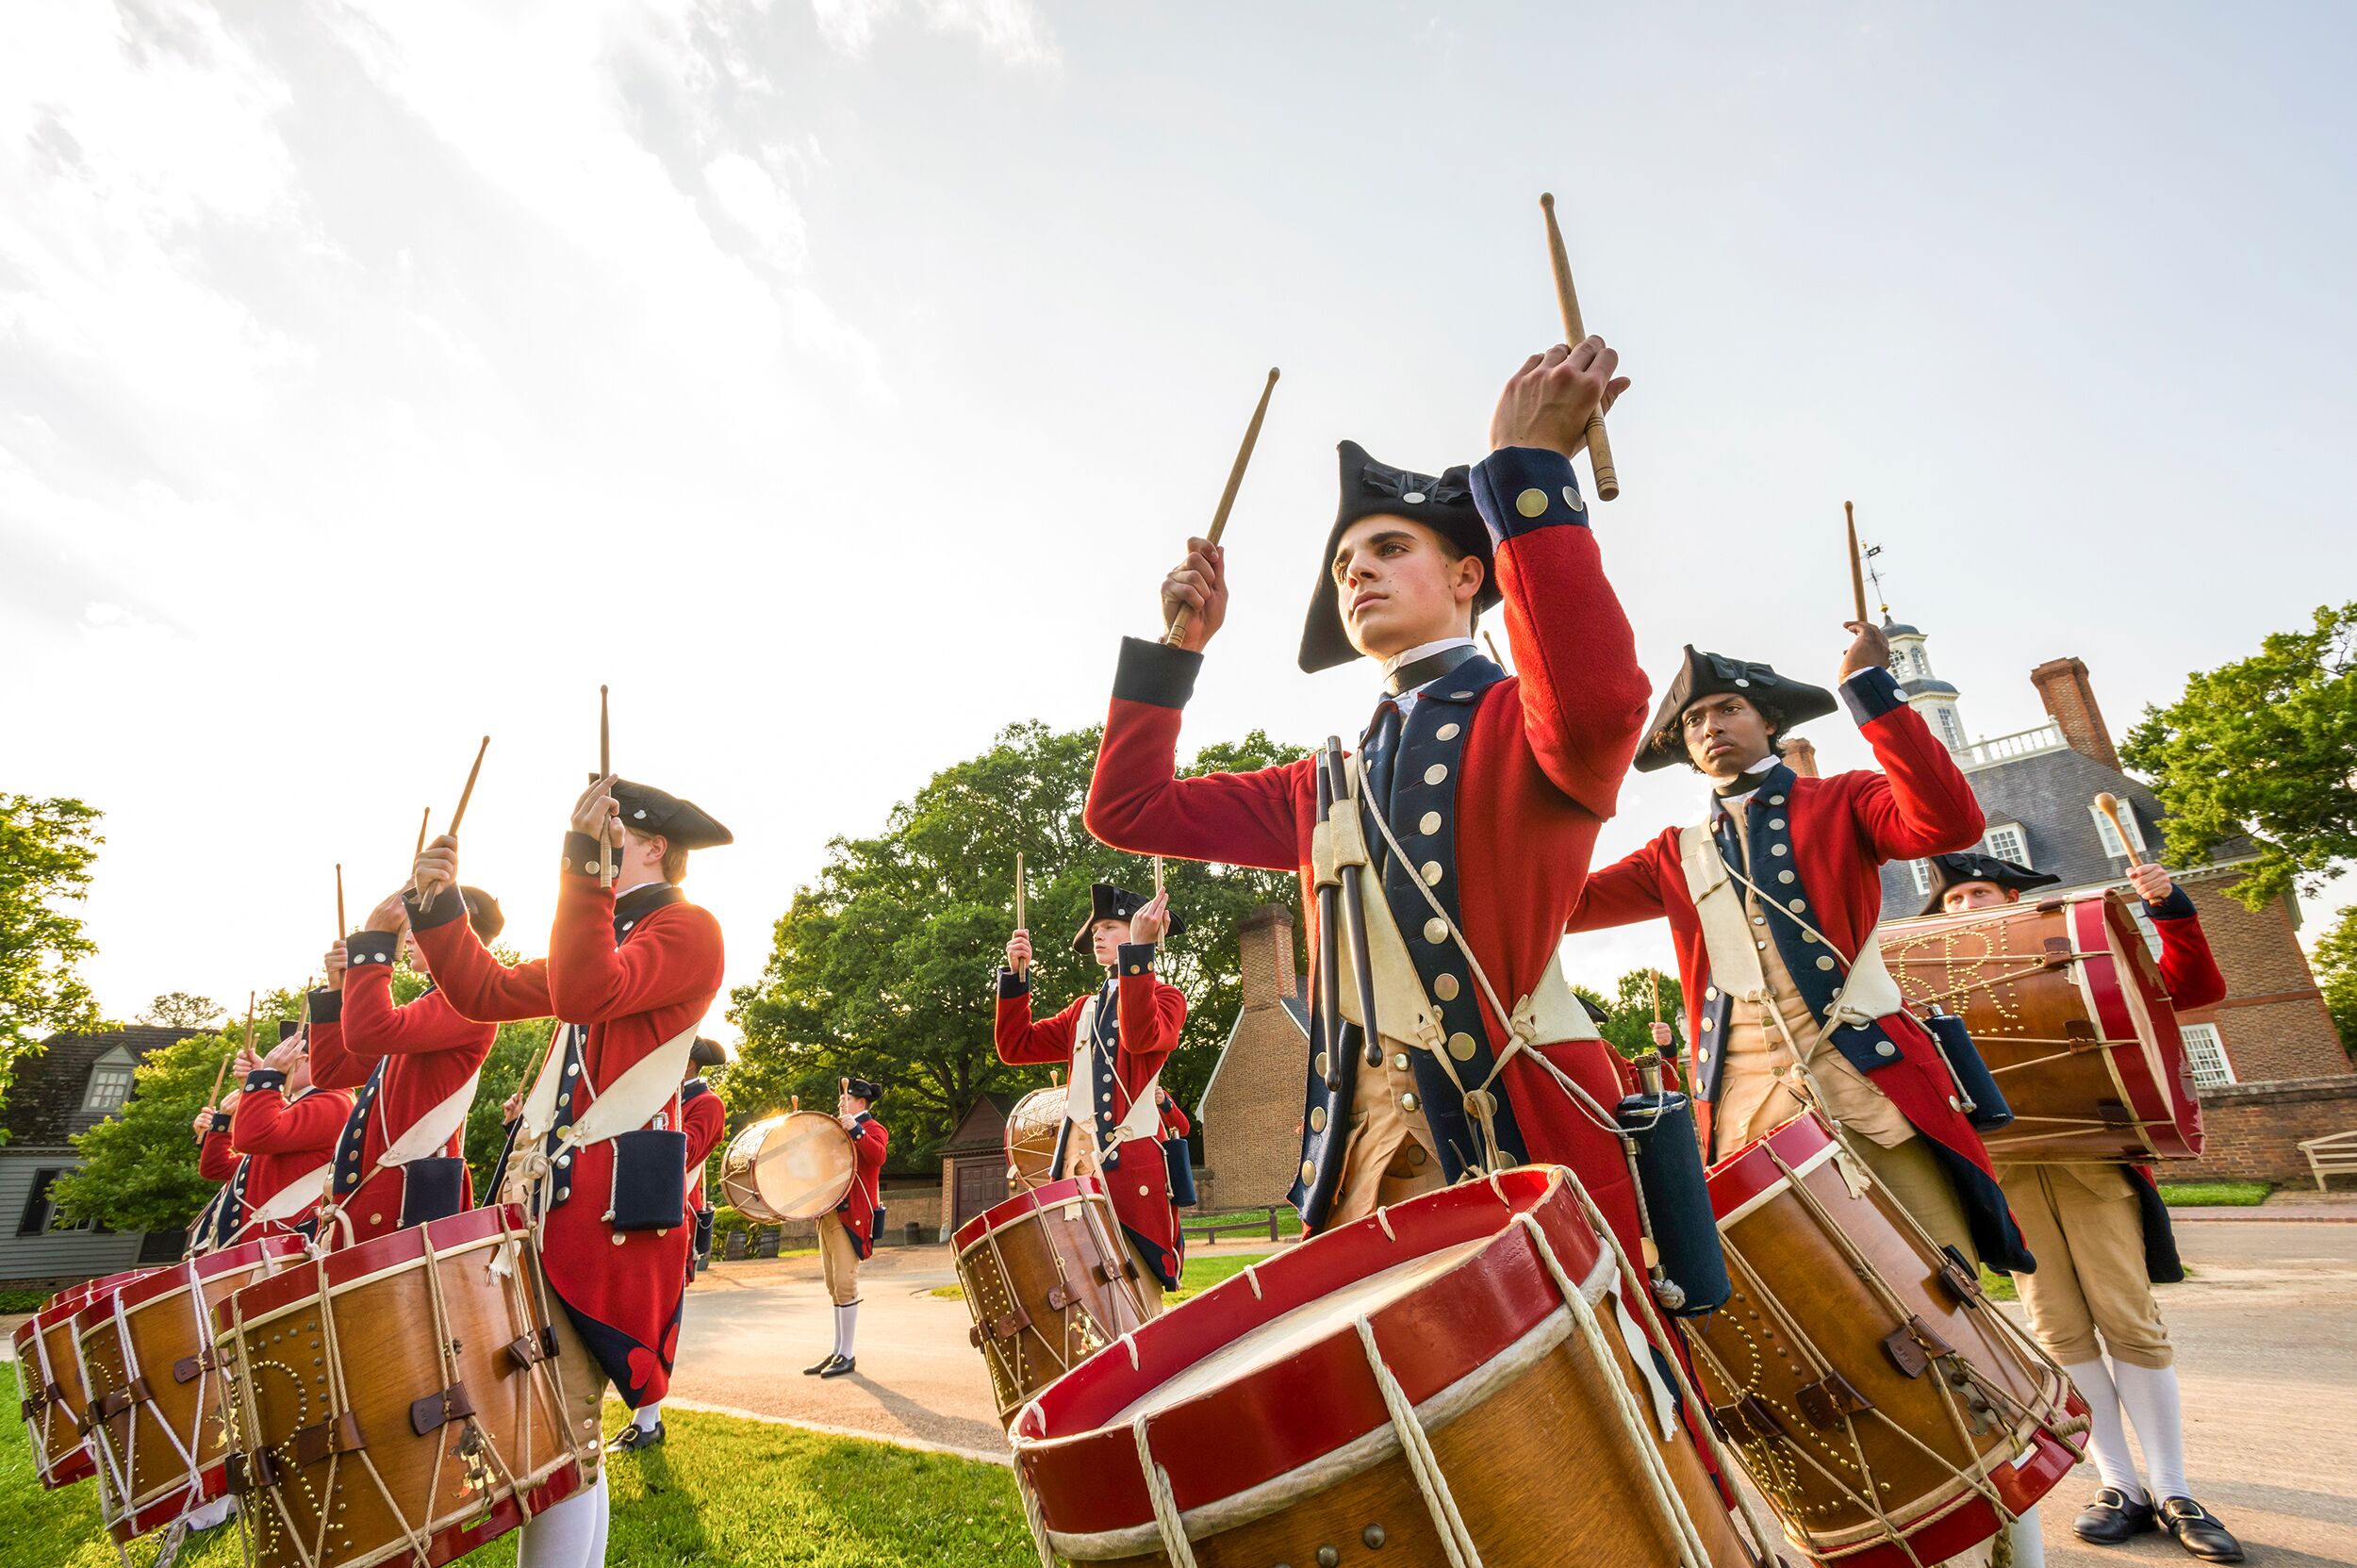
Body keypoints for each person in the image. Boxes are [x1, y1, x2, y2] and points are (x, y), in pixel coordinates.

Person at [1083, 340, 1665, 1265]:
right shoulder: (1323, 783)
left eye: (1390, 548)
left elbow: (1600, 700)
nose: (1356, 571)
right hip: (1360, 1166)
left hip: (1528, 1137)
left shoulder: (1530, 721)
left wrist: (1530, 471)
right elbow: (1128, 808)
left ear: (1469, 576)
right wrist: (1178, 647)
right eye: (1346, 561)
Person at [1566, 642, 2040, 1568]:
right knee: (1812, 1331)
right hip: (1747, 1110)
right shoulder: (1676, 853)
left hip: (1869, 1089)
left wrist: (1873, 692)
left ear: (1768, 721)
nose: (1710, 728)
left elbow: (1945, 819)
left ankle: (2015, 1533)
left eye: (1726, 709)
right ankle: (1889, 1522)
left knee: (1948, 1298)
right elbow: (1557, 903)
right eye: (1693, 721)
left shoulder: (1844, 799)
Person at [405, 773, 730, 1568]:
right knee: (561, 1430)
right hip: (550, 1212)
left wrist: (583, 861)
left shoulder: (689, 927)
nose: (608, 841)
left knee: (557, 1434)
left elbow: (587, 989)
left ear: (653, 846)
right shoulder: (604, 932)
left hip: (604, 1220)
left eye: (621, 832)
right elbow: (482, 988)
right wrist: (440, 905)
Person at [1926, 853, 2243, 1563]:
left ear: (2013, 897)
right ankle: (2119, 1484)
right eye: (1952, 900)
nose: (1964, 906)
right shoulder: (1927, 981)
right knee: (2059, 1330)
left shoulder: (2064, 954)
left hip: (2091, 1159)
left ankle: (2174, 1489)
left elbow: (2192, 988)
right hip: (2008, 1169)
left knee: (2128, 1320)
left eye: (1978, 892)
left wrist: (2169, 909)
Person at [997, 882, 1190, 1302]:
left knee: (1137, 1295)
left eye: (1110, 926)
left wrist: (1138, 957)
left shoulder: (1167, 997)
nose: (1097, 935)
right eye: (1096, 928)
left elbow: (1140, 1038)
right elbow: (1016, 1046)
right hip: (1075, 1169)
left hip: (1133, 1172)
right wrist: (1016, 977)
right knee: (1085, 1294)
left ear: (1144, 932)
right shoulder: (1082, 1009)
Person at [305, 885, 504, 1247]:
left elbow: (372, 1030)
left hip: (407, 1196)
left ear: (456, 932)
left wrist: (374, 946)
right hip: (379, 1194)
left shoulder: (465, 1005)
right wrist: (338, 990)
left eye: (418, 924)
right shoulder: (430, 1005)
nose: (407, 936)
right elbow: (333, 1072)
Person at [613, 1035, 730, 1454]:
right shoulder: (659, 1099)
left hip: (672, 1218)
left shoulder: (706, 1104)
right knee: (634, 1314)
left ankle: (647, 1422)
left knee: (659, 1318)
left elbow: (686, 1152)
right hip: (641, 1212)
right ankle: (648, 1418)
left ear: (689, 1065)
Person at [190, 1021, 354, 1251]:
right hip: (256, 1251)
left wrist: (266, 1077)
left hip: (278, 1251)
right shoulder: (304, 1105)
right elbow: (217, 1168)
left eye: (296, 1052)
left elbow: (255, 1136)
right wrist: (222, 1123)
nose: (288, 1059)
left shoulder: (336, 1102)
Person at [808, 1075, 887, 1379]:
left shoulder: (872, 1128)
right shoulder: (836, 1130)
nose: (841, 1102)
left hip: (851, 1214)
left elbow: (877, 1155)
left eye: (847, 1099)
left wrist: (855, 1131)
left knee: (845, 1283)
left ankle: (848, 1354)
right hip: (828, 1213)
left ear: (861, 1103)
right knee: (833, 1286)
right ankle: (837, 1349)